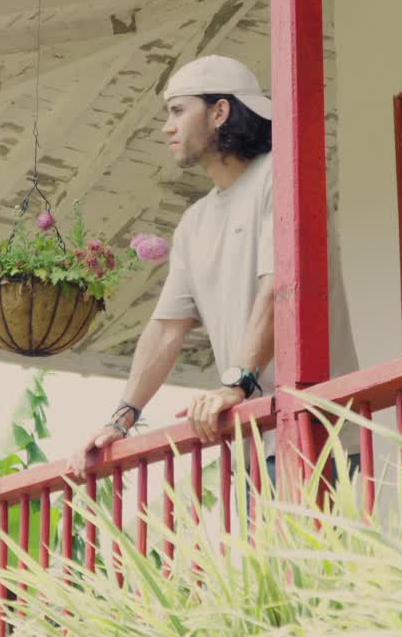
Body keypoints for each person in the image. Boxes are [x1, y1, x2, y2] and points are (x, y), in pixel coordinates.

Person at [66, 54, 357, 479]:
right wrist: (121, 419)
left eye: (178, 111)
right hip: (251, 442)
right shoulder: (194, 222)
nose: (167, 127)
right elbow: (166, 328)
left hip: (315, 434)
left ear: (220, 111)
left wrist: (234, 384)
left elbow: (279, 288)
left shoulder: (281, 176)